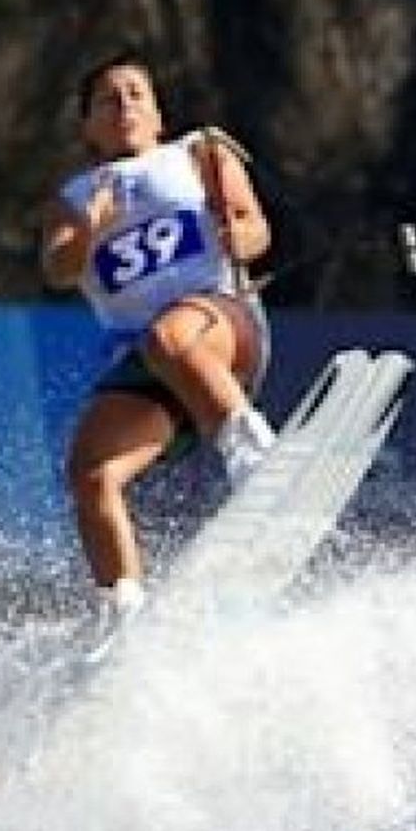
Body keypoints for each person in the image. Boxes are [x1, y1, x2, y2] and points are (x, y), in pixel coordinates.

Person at [41, 50, 277, 617]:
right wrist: (92, 228)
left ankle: (251, 451)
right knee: (91, 474)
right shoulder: (74, 200)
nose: (124, 105)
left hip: (222, 328)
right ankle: (123, 609)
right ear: (88, 127)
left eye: (136, 94)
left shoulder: (199, 153)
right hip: (148, 365)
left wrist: (234, 236)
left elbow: (256, 230)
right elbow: (57, 270)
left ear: (158, 113)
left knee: (172, 338)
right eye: (108, 99)